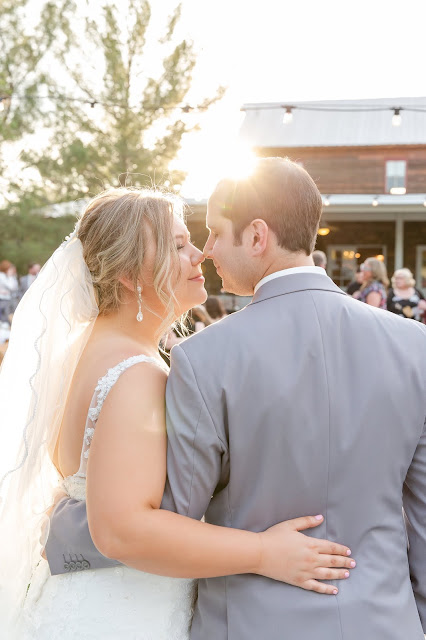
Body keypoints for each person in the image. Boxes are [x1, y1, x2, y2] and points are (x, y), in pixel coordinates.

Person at [43, 159, 426, 639]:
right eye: (183, 244)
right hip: (387, 622)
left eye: (212, 234)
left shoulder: (203, 359)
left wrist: (67, 527)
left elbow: (168, 513)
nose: (205, 253)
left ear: (258, 236)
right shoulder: (415, 345)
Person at [0, 186, 354, 640]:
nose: (200, 255)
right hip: (123, 616)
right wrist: (265, 552)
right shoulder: (135, 375)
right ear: (130, 274)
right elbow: (125, 529)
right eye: (179, 245)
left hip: (86, 599)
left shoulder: (84, 354)